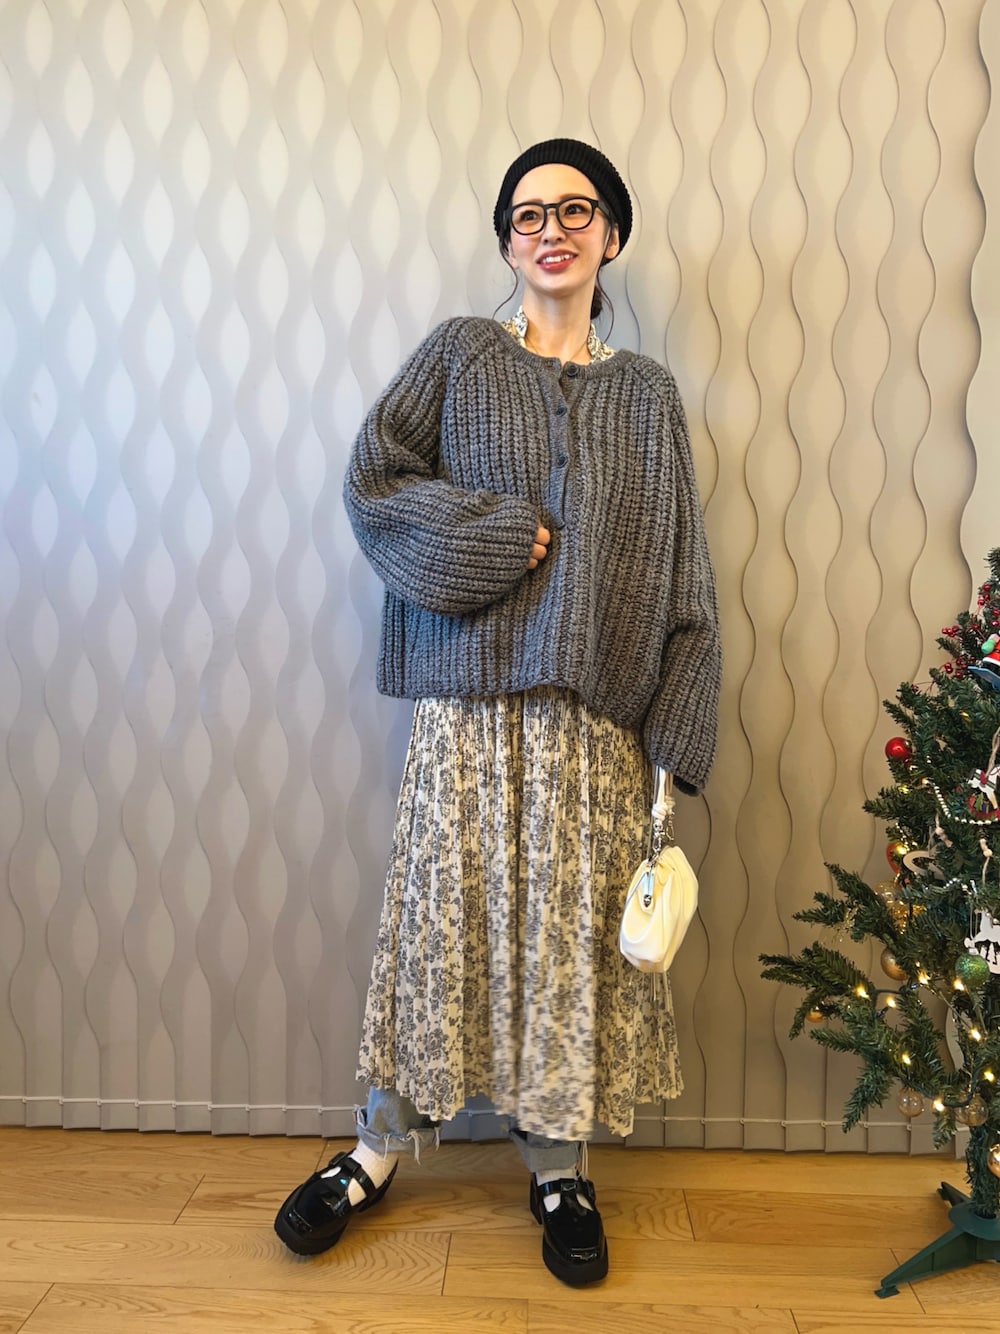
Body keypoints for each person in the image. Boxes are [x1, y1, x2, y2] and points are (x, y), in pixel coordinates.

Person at [274, 138, 722, 1285]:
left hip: (594, 729)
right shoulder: (459, 355)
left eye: (575, 209)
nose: (551, 229)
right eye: (528, 214)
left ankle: (558, 1167)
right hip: (465, 716)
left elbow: (683, 574)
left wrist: (673, 739)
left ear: (611, 235)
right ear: (508, 241)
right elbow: (374, 480)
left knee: (567, 945)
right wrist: (493, 537)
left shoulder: (647, 396)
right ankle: (375, 1149)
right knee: (438, 928)